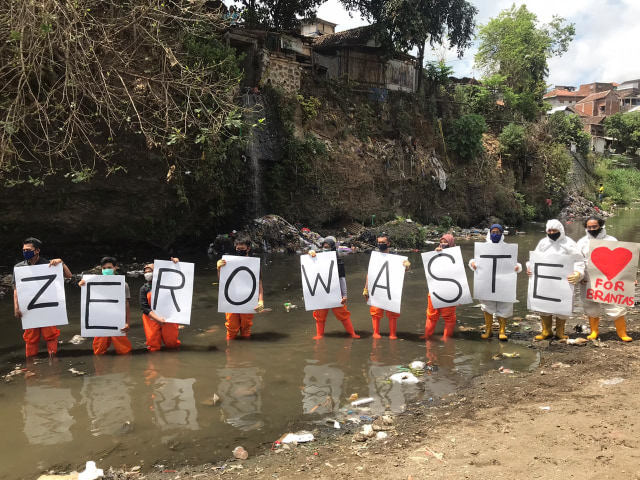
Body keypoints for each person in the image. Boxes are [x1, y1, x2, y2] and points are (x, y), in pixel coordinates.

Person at [13, 237, 72, 358]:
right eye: (24, 250)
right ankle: (31, 361)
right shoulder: (19, 267)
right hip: (29, 307)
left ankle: (52, 359)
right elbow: (16, 289)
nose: (25, 252)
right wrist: (16, 307)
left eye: (28, 249)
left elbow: (69, 275)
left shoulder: (49, 264)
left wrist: (61, 262)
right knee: (30, 336)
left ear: (37, 250)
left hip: (47, 306)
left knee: (50, 334)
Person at [526, 220, 584, 340]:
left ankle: (560, 332)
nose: (552, 233)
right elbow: (535, 258)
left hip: (563, 281)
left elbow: (579, 261)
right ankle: (546, 331)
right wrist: (530, 268)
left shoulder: (569, 243)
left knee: (562, 306)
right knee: (544, 304)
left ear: (561, 230)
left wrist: (578, 273)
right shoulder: (543, 243)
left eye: (555, 231)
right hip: (544, 281)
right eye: (549, 231)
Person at [577, 216, 632, 341]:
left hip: (608, 280)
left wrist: (627, 277)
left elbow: (621, 260)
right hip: (587, 279)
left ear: (600, 225)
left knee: (615, 304)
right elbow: (577, 261)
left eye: (594, 226)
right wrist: (580, 276)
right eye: (589, 227)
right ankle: (594, 332)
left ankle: (622, 333)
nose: (591, 229)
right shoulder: (581, 242)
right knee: (590, 305)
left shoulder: (611, 240)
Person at [468, 224, 522, 341]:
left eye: (498, 232)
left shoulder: (508, 248)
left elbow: (515, 263)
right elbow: (475, 260)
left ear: (502, 234)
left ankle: (502, 330)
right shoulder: (484, 247)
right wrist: (473, 264)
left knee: (504, 305)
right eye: (493, 232)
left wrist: (517, 267)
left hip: (503, 282)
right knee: (487, 305)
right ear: (490, 233)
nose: (495, 234)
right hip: (487, 282)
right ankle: (488, 329)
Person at [307, 237, 360, 339]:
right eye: (324, 247)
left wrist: (344, 295)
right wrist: (311, 252)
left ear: (332, 248)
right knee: (319, 315)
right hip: (320, 292)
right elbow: (310, 254)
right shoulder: (317, 259)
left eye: (328, 247)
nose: (325, 249)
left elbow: (342, 279)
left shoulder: (338, 261)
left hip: (335, 292)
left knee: (343, 314)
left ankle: (352, 333)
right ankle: (319, 335)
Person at [79, 257, 132, 355]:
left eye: (109, 267)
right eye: (104, 268)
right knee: (99, 350)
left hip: (117, 320)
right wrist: (82, 284)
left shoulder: (123, 284)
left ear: (115, 268)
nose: (106, 270)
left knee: (124, 351)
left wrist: (127, 323)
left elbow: (126, 304)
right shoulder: (93, 283)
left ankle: (125, 366)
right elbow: (88, 298)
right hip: (101, 320)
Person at [363, 233, 411, 339]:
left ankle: (393, 334)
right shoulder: (375, 257)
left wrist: (407, 266)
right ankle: (376, 332)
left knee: (392, 311)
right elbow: (369, 273)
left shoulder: (396, 257)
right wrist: (366, 288)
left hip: (391, 288)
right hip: (377, 288)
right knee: (375, 310)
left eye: (383, 242)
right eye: (379, 242)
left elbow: (404, 270)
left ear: (388, 243)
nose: (380, 244)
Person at [217, 237, 264, 339]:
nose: (239, 251)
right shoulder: (229, 262)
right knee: (231, 326)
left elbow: (259, 283)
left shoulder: (254, 264)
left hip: (248, 298)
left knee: (246, 326)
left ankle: (246, 349)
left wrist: (260, 300)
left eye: (242, 248)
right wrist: (219, 269)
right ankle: (230, 349)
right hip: (231, 299)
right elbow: (223, 282)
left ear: (248, 248)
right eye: (237, 249)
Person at [140, 258, 182, 351]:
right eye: (145, 272)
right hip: (151, 318)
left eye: (150, 271)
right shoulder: (144, 289)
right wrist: (156, 318)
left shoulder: (168, 284)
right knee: (153, 345)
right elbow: (144, 308)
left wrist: (176, 263)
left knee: (171, 343)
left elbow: (179, 277)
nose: (147, 274)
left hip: (168, 317)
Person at [422, 234, 457, 340]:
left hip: (449, 290)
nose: (442, 244)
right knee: (431, 313)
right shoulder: (436, 253)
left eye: (445, 242)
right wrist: (434, 254)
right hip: (435, 289)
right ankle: (427, 334)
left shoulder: (456, 257)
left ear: (450, 243)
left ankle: (447, 336)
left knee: (448, 315)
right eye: (441, 242)